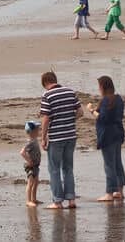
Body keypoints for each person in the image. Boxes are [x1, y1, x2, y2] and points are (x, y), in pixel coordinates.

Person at [38, 71, 80, 209]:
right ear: (55, 80)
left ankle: (57, 201)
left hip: (56, 137)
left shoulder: (47, 95)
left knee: (54, 169)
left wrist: (43, 138)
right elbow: (80, 112)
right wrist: (69, 120)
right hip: (70, 135)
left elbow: (45, 118)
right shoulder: (70, 91)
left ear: (45, 83)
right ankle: (71, 199)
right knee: (68, 168)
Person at [92, 75, 125, 202]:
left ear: (103, 87)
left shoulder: (107, 100)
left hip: (108, 135)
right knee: (117, 163)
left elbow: (103, 118)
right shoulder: (118, 99)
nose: (98, 88)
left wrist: (92, 111)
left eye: (99, 86)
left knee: (109, 164)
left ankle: (109, 193)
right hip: (118, 133)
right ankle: (120, 191)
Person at [21, 120, 43, 207]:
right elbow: (22, 152)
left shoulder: (35, 140)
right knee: (30, 183)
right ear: (32, 132)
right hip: (30, 166)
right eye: (37, 129)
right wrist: (29, 161)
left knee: (36, 182)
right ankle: (28, 200)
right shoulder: (29, 142)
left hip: (36, 166)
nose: (39, 131)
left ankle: (33, 199)